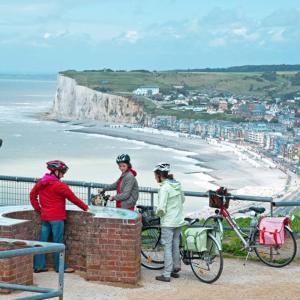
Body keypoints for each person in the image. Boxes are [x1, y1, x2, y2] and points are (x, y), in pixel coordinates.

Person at [30, 160, 89, 273]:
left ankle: (38, 266)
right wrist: (86, 208)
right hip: (57, 218)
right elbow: (73, 198)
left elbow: (32, 195)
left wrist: (38, 209)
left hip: (45, 217)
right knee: (58, 242)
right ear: (56, 171)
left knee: (42, 241)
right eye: (62, 172)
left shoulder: (41, 182)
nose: (63, 175)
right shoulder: (59, 185)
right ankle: (60, 267)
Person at [153, 163, 185, 282]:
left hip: (168, 222)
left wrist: (157, 215)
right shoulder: (177, 185)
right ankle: (175, 268)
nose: (155, 178)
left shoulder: (164, 188)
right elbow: (183, 200)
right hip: (178, 220)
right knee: (175, 245)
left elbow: (161, 208)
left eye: (155, 175)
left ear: (160, 175)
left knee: (167, 247)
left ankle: (166, 274)